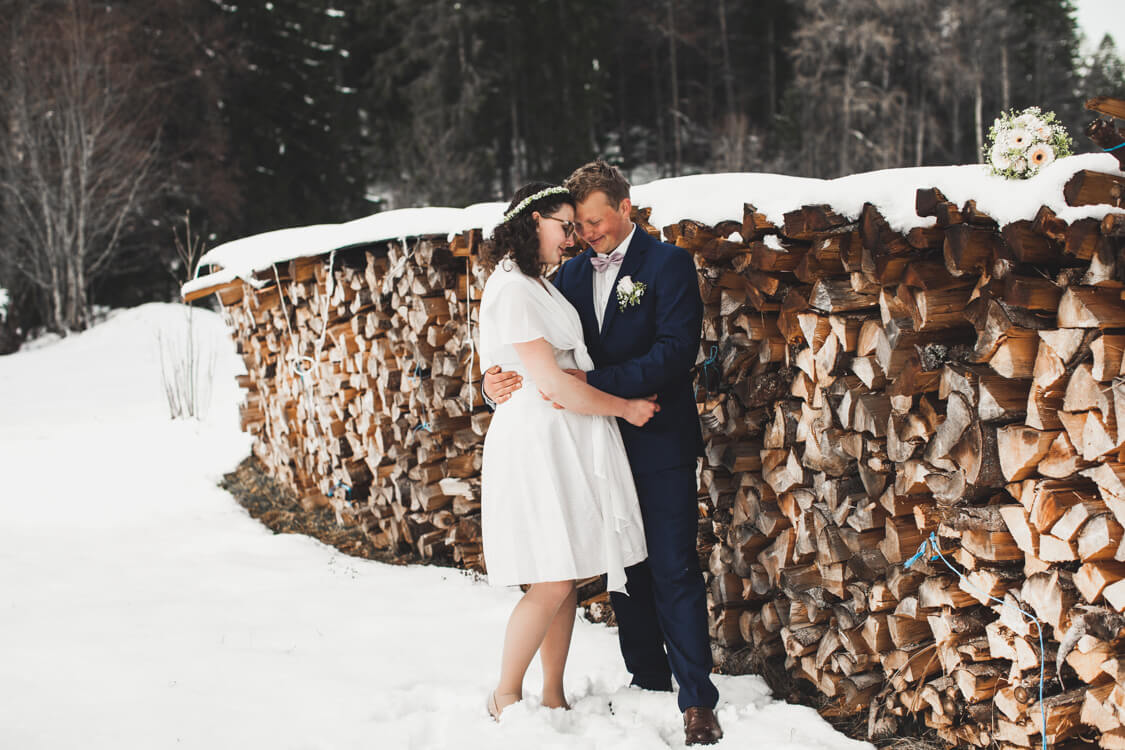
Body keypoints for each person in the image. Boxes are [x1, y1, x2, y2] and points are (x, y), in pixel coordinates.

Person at [483, 161, 722, 745]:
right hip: (586, 444)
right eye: (576, 225)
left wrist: (595, 391)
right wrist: (491, 385)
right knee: (624, 571)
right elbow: (525, 354)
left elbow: (673, 354)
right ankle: (646, 681)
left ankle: (697, 700)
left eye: (592, 222)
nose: (585, 235)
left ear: (626, 207)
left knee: (671, 568)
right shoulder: (557, 279)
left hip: (653, 435)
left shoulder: (668, 264)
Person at [478, 181, 659, 721]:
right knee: (551, 576)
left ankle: (552, 694)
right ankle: (505, 694)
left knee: (562, 571)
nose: (573, 238)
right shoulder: (512, 287)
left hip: (563, 437)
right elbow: (552, 383)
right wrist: (624, 408)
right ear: (532, 221)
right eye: (563, 226)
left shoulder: (541, 284)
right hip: (538, 439)